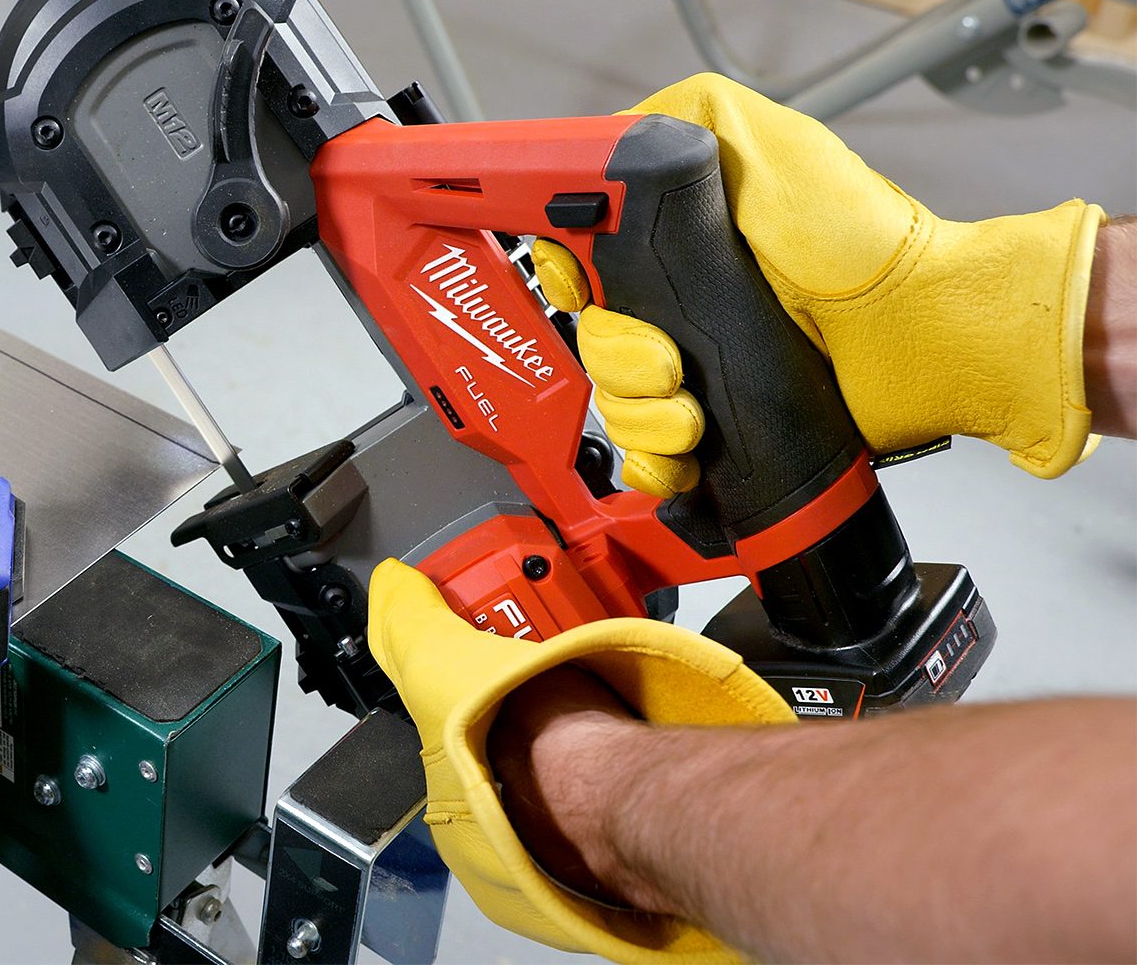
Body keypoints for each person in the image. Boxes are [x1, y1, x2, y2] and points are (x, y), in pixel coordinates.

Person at [368, 75, 1136, 964]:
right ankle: (852, 605)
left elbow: (1063, 873)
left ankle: (840, 617)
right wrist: (989, 305)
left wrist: (585, 788)